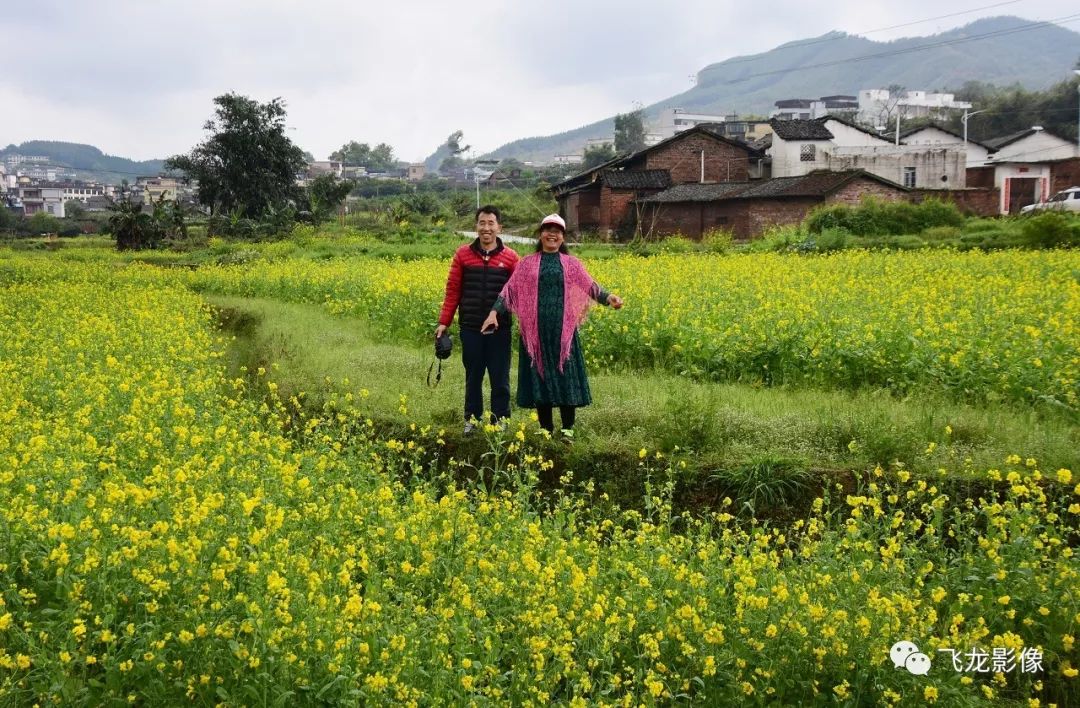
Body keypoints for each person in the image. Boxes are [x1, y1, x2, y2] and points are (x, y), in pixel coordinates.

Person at [481, 213, 623, 436]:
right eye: (548, 230)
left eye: (557, 231)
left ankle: (567, 430)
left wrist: (608, 298)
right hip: (535, 335)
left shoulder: (571, 264)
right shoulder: (527, 263)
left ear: (562, 237)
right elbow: (509, 290)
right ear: (540, 234)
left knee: (565, 378)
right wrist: (493, 314)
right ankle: (545, 429)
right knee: (540, 379)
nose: (552, 234)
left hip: (563, 334)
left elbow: (591, 287)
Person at [436, 205, 520, 434]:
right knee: (473, 376)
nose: (486, 228)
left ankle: (500, 419)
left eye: (491, 223)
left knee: (499, 377)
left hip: (499, 329)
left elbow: (517, 292)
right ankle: (471, 420)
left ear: (499, 227)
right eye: (482, 223)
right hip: (471, 328)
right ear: (476, 226)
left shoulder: (511, 257)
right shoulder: (462, 255)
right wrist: (444, 322)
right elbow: (453, 290)